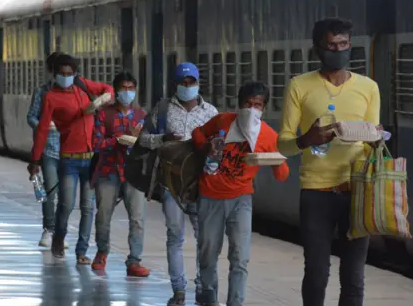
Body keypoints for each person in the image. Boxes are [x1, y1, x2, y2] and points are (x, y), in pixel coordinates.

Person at [277, 18, 380, 306]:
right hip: (316, 192)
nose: (338, 50)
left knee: (354, 275)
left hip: (357, 190)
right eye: (332, 45)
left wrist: (377, 138)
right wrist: (305, 140)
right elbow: (283, 144)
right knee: (317, 272)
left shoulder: (368, 88)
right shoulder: (299, 87)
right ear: (318, 49)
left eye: (344, 44)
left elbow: (373, 137)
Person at [192, 81, 290, 306]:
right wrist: (206, 146)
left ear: (263, 108)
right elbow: (198, 133)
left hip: (241, 199)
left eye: (257, 105)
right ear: (239, 105)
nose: (252, 109)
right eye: (248, 104)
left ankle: (235, 302)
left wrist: (275, 160)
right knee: (207, 252)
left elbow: (282, 175)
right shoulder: (222, 121)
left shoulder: (267, 135)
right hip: (210, 196)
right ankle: (208, 297)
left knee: (240, 257)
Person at [138, 62, 218, 306]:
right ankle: (179, 290)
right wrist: (163, 138)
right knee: (175, 236)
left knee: (204, 238)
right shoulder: (162, 109)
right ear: (175, 85)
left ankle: (204, 288)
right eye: (182, 83)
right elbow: (142, 139)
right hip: (171, 182)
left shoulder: (210, 112)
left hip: (200, 182)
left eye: (191, 82)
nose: (187, 86)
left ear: (197, 83)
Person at [27, 53, 114, 264]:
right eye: (62, 74)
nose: (66, 77)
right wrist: (35, 160)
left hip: (90, 158)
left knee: (87, 207)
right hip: (69, 158)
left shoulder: (83, 86)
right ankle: (58, 236)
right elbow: (42, 131)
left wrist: (103, 99)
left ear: (75, 74)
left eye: (70, 73)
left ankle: (81, 251)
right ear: (55, 74)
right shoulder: (50, 97)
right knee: (66, 204)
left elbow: (108, 90)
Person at [91, 71, 150, 277]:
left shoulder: (142, 116)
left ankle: (134, 260)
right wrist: (118, 139)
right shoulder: (103, 114)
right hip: (108, 171)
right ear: (116, 91)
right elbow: (96, 144)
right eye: (123, 88)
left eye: (131, 88)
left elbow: (147, 145)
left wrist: (138, 141)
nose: (127, 92)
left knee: (137, 218)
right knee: (103, 215)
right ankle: (102, 251)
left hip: (133, 172)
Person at [26, 51, 68, 249]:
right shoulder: (42, 92)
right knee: (51, 191)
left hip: (70, 149)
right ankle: (49, 229)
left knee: (66, 195)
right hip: (49, 148)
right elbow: (31, 116)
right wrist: (42, 124)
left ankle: (61, 232)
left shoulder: (75, 94)